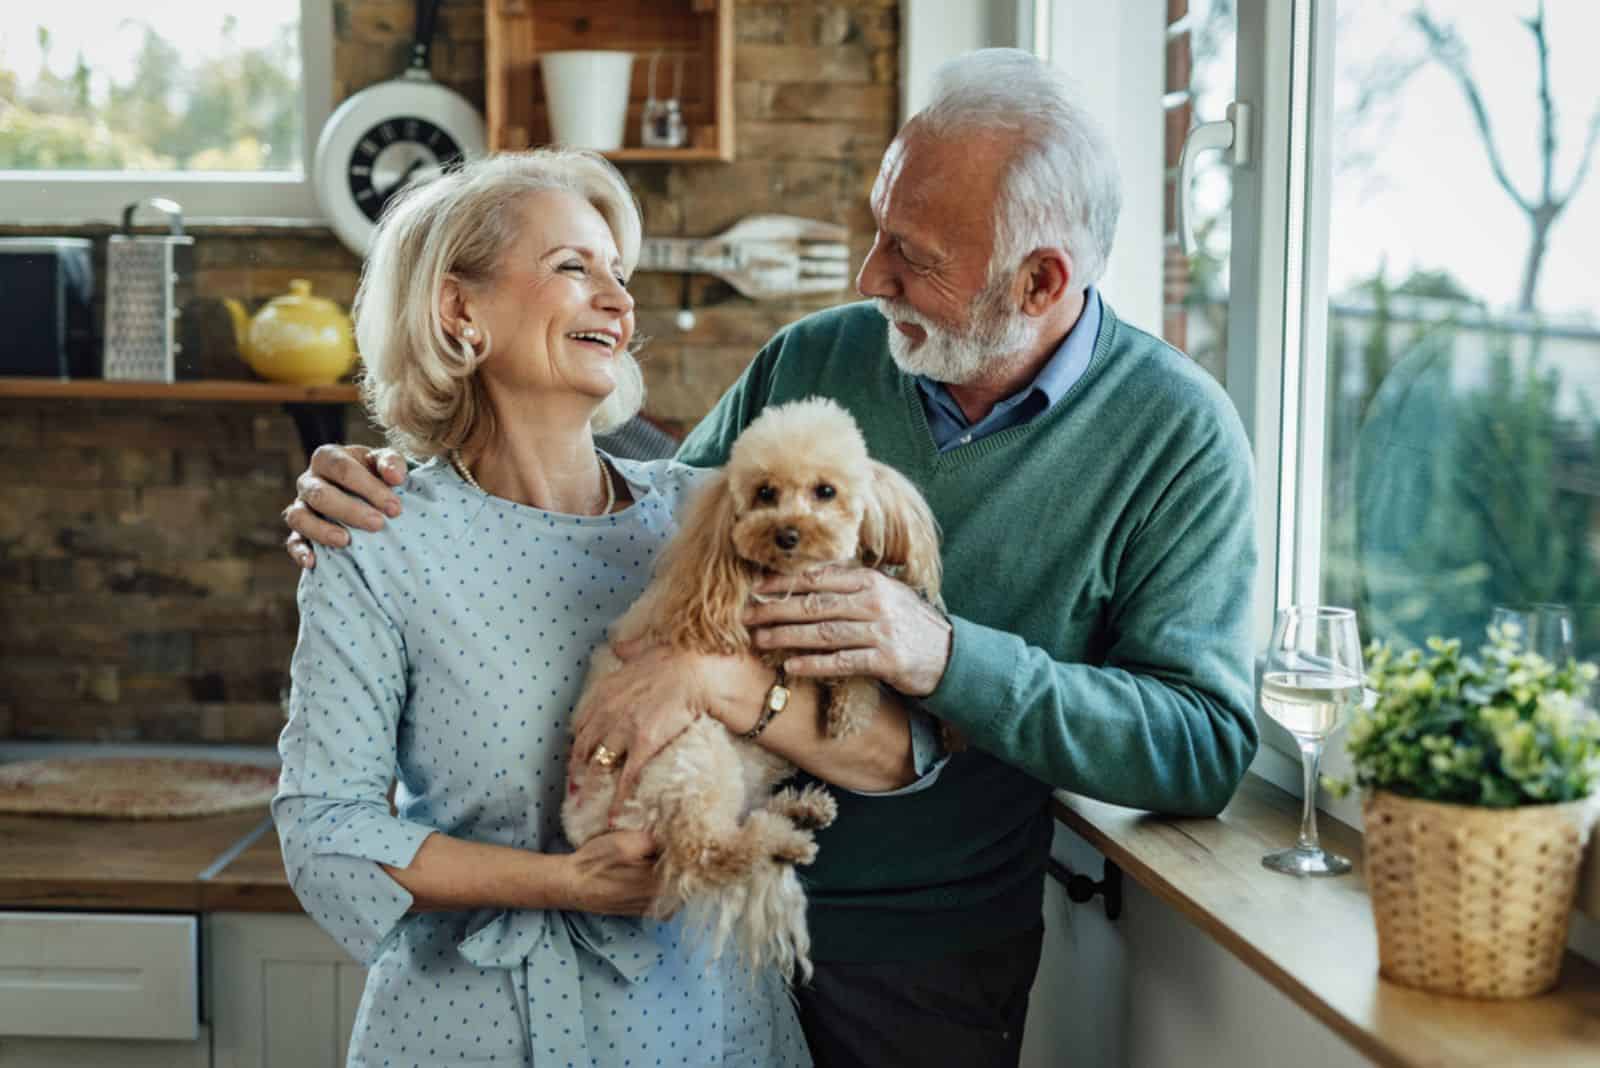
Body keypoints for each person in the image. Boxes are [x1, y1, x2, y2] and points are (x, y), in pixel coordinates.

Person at [283, 49, 1260, 1068]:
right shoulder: (819, 357)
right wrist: (389, 486)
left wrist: (935, 656)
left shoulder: (1174, 435)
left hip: (913, 947)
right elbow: (645, 539)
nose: (868, 274)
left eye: (911, 253)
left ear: (1040, 280)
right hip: (685, 941)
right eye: (876, 227)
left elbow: (1192, 746)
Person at [274, 148, 930, 1068]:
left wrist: (711, 682)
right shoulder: (378, 543)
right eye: (574, 268)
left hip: (702, 1028)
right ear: (461, 310)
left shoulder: (717, 516)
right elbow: (325, 836)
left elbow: (890, 754)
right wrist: (563, 882)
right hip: (469, 1034)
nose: (618, 300)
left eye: (619, 275)